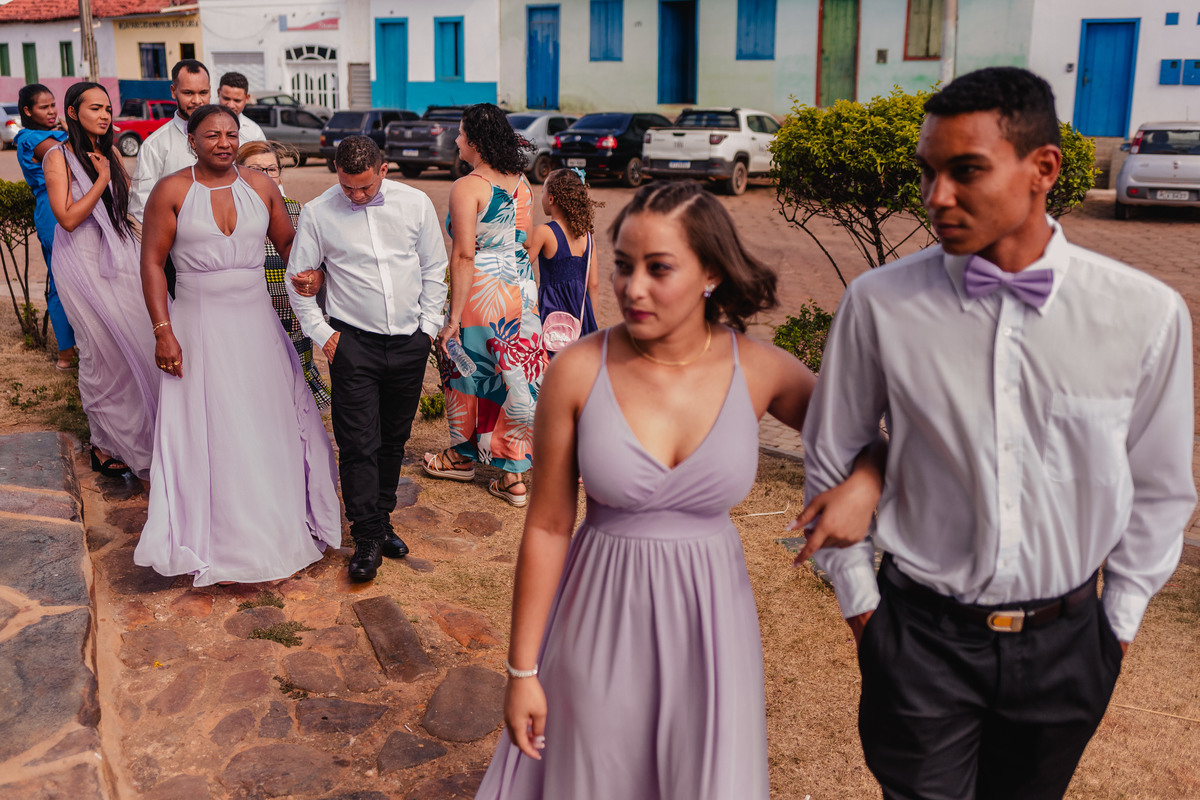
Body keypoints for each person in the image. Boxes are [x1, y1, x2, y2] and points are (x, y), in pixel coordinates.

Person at [802, 67, 1196, 800]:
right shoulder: (879, 305)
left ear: (1042, 169)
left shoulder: (1145, 315)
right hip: (919, 639)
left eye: (965, 171)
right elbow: (831, 457)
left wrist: (1118, 626)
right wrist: (867, 616)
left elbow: (1162, 486)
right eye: (928, 172)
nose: (935, 198)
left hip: (1070, 643)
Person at [476, 181, 885, 800]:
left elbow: (871, 441)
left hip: (711, 624)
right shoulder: (578, 372)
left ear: (711, 273)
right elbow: (548, 526)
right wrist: (522, 671)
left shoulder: (761, 370)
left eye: (658, 268)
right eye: (622, 267)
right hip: (599, 617)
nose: (632, 288)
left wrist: (865, 484)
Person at [134, 104, 341, 587]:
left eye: (231, 133)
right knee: (212, 427)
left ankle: (273, 529)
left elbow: (290, 247)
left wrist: (310, 273)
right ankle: (217, 536)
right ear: (191, 141)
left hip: (256, 322)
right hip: (197, 324)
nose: (224, 142)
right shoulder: (171, 190)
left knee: (264, 421)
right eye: (212, 135)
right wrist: (163, 330)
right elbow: (150, 263)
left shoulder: (261, 185)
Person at [286, 136, 448, 583]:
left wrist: (428, 328)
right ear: (336, 170)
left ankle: (382, 518)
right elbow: (297, 279)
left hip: (409, 343)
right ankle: (367, 536)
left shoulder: (415, 204)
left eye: (364, 187)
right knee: (358, 442)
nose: (355, 196)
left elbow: (434, 266)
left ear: (383, 169)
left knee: (394, 440)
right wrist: (324, 335)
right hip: (351, 344)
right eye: (347, 187)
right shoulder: (320, 212)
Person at [422, 102, 546, 507]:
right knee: (516, 376)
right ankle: (514, 475)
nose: (456, 140)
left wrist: (452, 319)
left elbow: (463, 256)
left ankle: (462, 456)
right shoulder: (522, 183)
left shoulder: (469, 186)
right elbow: (526, 242)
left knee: (465, 370)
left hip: (482, 292)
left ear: (474, 141)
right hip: (521, 291)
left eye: (459, 134)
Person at [42, 82, 159, 478]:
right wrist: (102, 177)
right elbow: (69, 218)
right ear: (73, 112)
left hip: (121, 254)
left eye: (108, 108)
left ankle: (146, 434)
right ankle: (105, 444)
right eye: (95, 108)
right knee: (100, 352)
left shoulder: (108, 150)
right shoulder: (57, 156)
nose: (105, 115)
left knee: (141, 343)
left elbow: (123, 211)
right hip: (80, 258)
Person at [236, 139, 330, 407]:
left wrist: (316, 278)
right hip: (247, 316)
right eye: (255, 169)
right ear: (238, 171)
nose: (265, 177)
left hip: (291, 318)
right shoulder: (228, 210)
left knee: (292, 394)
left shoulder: (296, 210)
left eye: (272, 169)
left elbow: (317, 263)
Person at [129, 59, 212, 299]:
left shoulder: (229, 137)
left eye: (203, 92)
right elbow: (140, 206)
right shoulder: (156, 144)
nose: (197, 100)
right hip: (178, 258)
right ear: (173, 91)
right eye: (188, 92)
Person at [15, 83, 75, 370]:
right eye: (44, 106)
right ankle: (66, 354)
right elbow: (69, 156)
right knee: (61, 283)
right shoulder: (30, 138)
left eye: (53, 105)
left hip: (75, 208)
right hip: (53, 213)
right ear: (28, 111)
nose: (52, 111)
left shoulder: (59, 133)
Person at [525, 168, 601, 351]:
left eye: (543, 191)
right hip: (582, 317)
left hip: (552, 315)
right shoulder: (587, 236)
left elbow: (521, 266)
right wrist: (590, 319)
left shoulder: (544, 232)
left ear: (551, 198)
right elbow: (594, 284)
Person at [218, 72, 266, 143]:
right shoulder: (204, 124)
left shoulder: (255, 133)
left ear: (247, 98)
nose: (231, 105)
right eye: (226, 99)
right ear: (218, 93)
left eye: (237, 100)